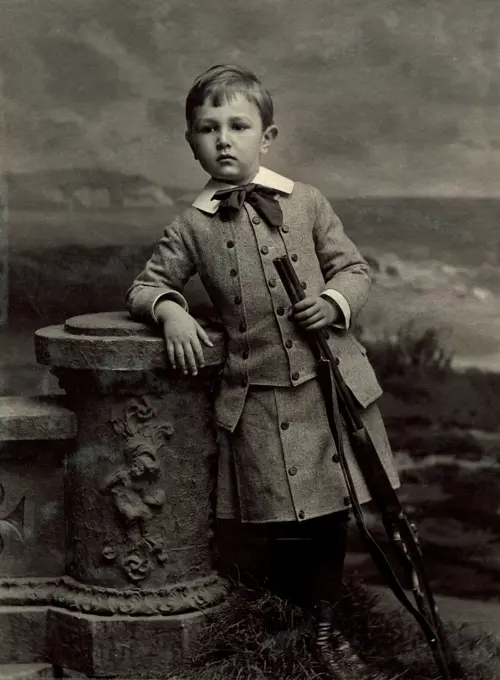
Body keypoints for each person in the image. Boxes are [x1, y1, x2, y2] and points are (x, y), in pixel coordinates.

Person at [126, 64, 400, 678]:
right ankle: (288, 624)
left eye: (238, 125)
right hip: (258, 399)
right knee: (280, 519)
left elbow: (355, 270)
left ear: (266, 136)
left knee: (332, 513)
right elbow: (146, 285)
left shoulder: (306, 203)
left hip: (327, 387)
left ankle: (324, 628)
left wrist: (332, 303)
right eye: (207, 127)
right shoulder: (191, 225)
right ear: (191, 143)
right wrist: (170, 312)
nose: (223, 138)